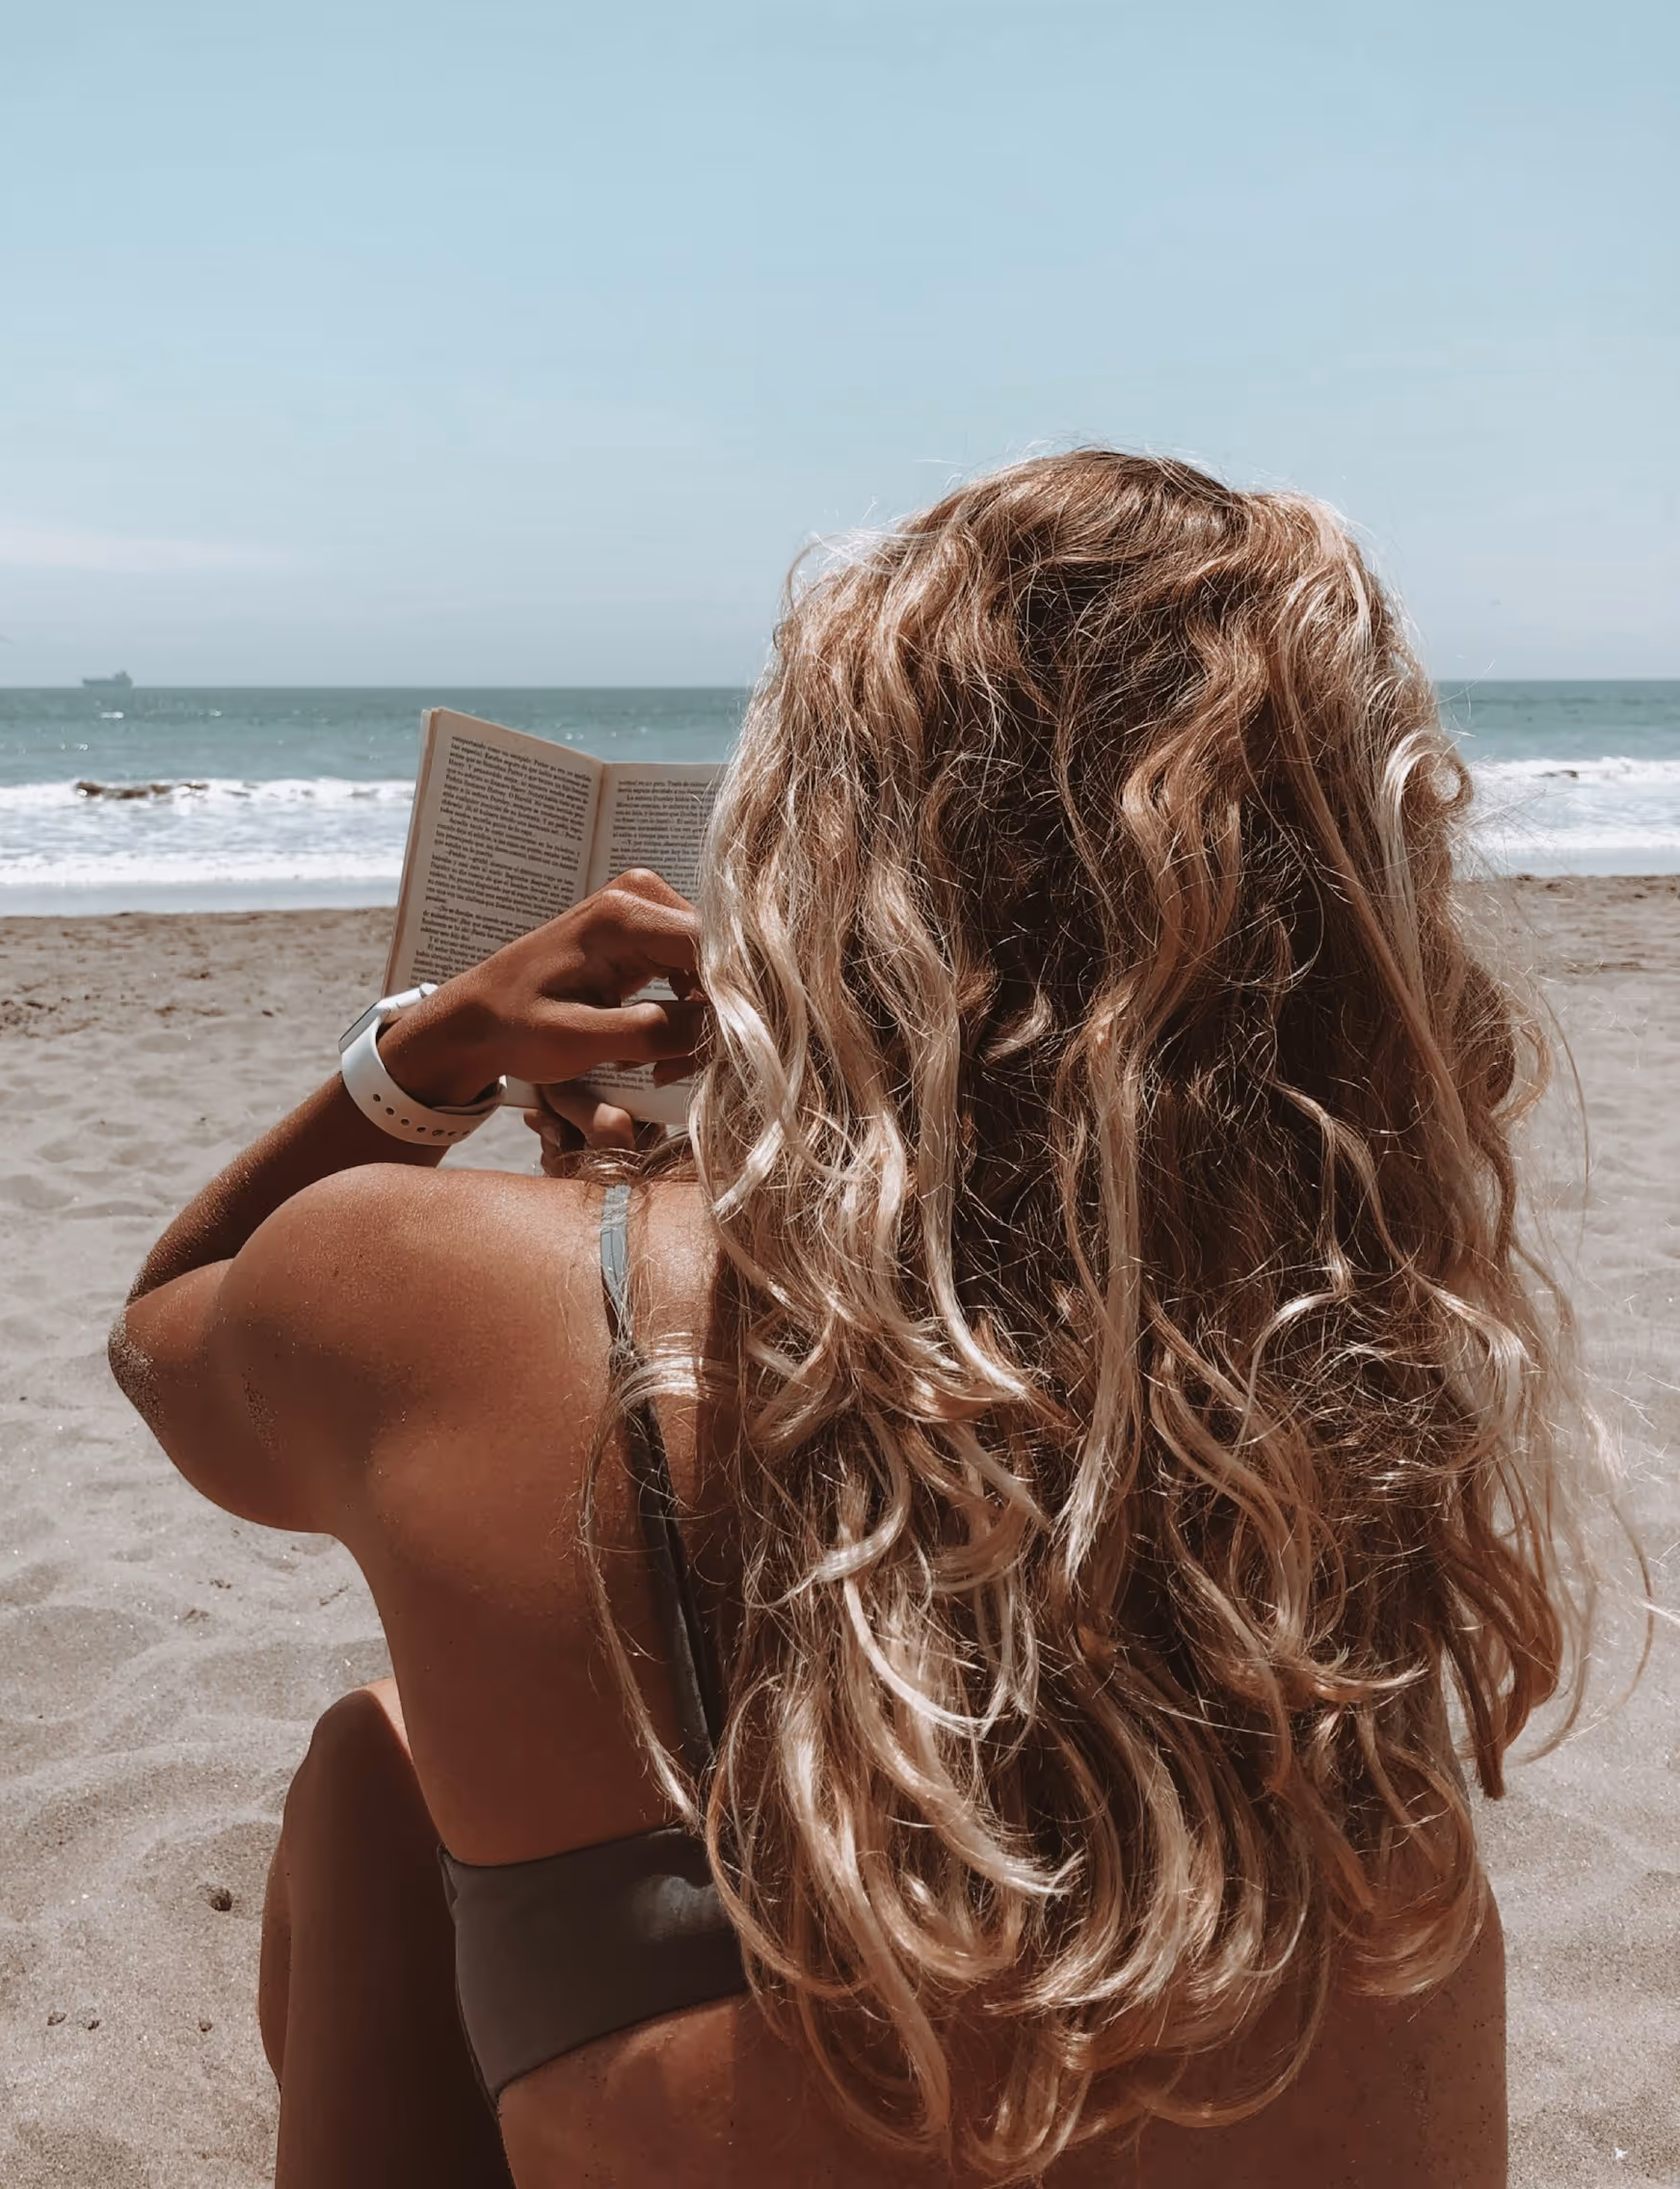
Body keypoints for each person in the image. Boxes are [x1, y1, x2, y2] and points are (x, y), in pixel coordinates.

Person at [112, 452, 1594, 2187]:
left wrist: (426, 1062)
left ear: (826, 847)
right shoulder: (1352, 1360)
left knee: (380, 1769)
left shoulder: (451, 1290)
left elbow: (169, 1340)